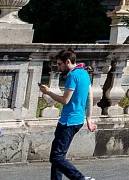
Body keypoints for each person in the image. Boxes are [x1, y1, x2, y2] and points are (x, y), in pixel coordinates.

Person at [38, 49, 97, 180]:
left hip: (68, 121)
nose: (59, 67)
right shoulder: (84, 73)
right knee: (59, 156)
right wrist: (89, 119)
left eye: (60, 64)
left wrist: (48, 92)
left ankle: (80, 178)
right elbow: (90, 97)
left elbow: (65, 100)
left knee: (56, 156)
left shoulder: (72, 76)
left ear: (68, 61)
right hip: (77, 120)